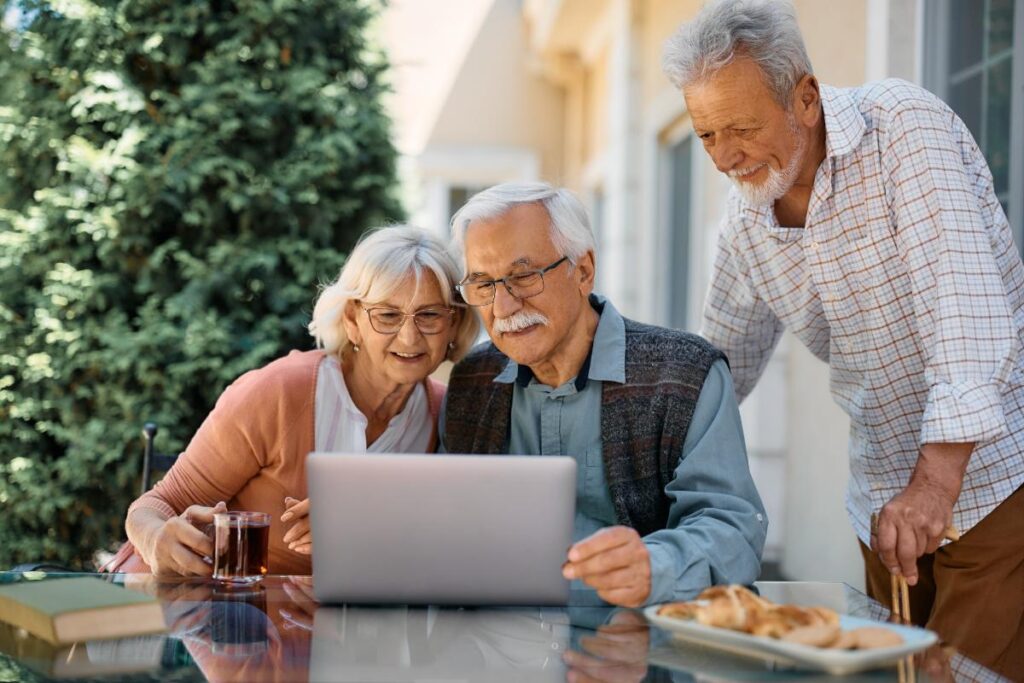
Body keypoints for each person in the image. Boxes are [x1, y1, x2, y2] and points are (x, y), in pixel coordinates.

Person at [662, 0, 1024, 675]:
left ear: (804, 97)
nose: (723, 156)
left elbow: (966, 314)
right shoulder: (745, 218)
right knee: (900, 674)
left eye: (740, 127)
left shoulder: (902, 128)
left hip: (995, 482)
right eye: (705, 134)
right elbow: (718, 366)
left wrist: (937, 482)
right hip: (887, 507)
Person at [442, 182, 767, 608]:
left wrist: (655, 566)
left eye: (523, 276)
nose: (502, 307)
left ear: (583, 270)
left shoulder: (686, 373)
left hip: (638, 647)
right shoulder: (471, 382)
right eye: (483, 284)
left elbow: (733, 527)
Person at [112, 226, 479, 576]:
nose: (410, 336)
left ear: (453, 323)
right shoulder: (279, 393)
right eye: (387, 315)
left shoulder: (447, 416)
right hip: (216, 621)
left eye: (429, 314)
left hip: (334, 633)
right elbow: (151, 508)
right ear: (352, 320)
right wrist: (156, 537)